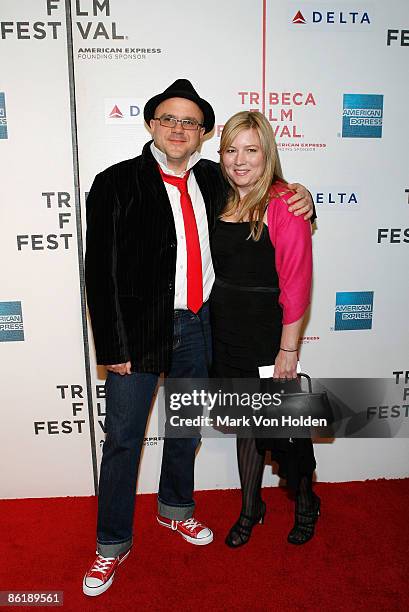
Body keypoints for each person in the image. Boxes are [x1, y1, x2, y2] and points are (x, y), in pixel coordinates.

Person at [83, 80, 314, 596]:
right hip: (137, 335)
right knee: (123, 441)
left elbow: (269, 193)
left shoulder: (216, 179)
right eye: (169, 118)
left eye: (190, 121)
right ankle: (111, 545)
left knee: (185, 429)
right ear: (151, 124)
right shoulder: (115, 182)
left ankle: (176, 510)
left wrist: (304, 197)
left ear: (204, 132)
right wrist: (113, 349)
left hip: (199, 326)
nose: (178, 128)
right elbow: (98, 273)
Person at [210, 110, 319, 548]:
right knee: (245, 425)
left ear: (267, 153)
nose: (240, 160)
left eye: (251, 150)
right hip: (225, 333)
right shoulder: (218, 195)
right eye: (231, 150)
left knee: (285, 431)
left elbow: (297, 282)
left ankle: (307, 500)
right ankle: (251, 507)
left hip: (267, 338)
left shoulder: (284, 203)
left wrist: (288, 351)